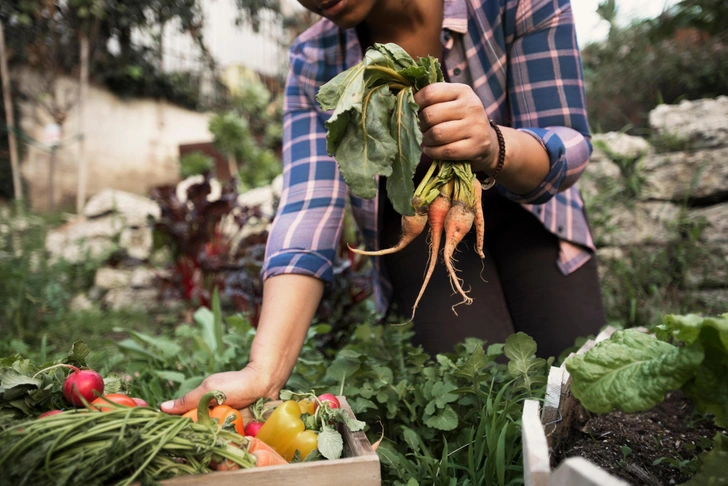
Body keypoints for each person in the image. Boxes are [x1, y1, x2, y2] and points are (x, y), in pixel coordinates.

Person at [160, 0, 606, 415]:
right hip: (419, 221)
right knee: (481, 398)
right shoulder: (314, 58)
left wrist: (491, 144)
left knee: (579, 391)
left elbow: (568, 140)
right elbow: (309, 208)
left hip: (533, 208)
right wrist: (264, 371)